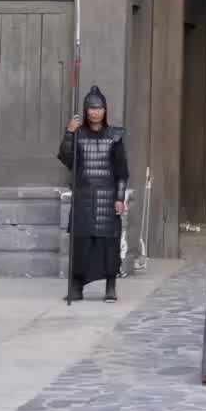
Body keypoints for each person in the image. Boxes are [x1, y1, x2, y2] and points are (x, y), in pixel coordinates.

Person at [58, 85, 128, 302]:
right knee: (81, 244)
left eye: (99, 108)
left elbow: (122, 172)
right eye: (91, 108)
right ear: (86, 110)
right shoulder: (78, 134)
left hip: (107, 195)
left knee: (109, 245)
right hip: (84, 196)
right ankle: (77, 286)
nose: (95, 113)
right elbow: (67, 159)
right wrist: (69, 133)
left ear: (105, 110)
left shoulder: (115, 136)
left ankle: (110, 286)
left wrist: (119, 198)